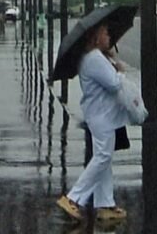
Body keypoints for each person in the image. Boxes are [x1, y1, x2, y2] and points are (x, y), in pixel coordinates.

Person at [56, 22, 130, 224]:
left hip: (99, 114)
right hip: (102, 115)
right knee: (102, 158)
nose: (109, 37)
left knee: (103, 158)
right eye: (106, 33)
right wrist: (120, 71)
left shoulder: (90, 58)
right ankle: (73, 198)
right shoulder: (95, 59)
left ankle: (105, 203)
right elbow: (114, 84)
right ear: (96, 37)